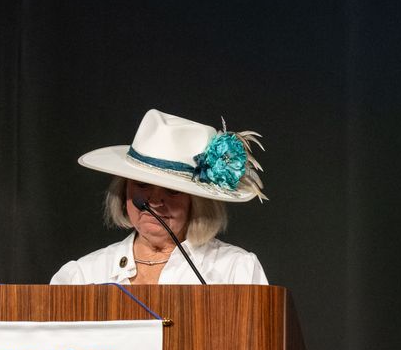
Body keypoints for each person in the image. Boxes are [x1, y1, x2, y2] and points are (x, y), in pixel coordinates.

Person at [54, 109, 269, 285]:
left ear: (197, 203)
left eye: (172, 191)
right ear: (124, 190)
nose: (155, 202)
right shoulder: (83, 276)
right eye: (143, 185)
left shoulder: (235, 270)